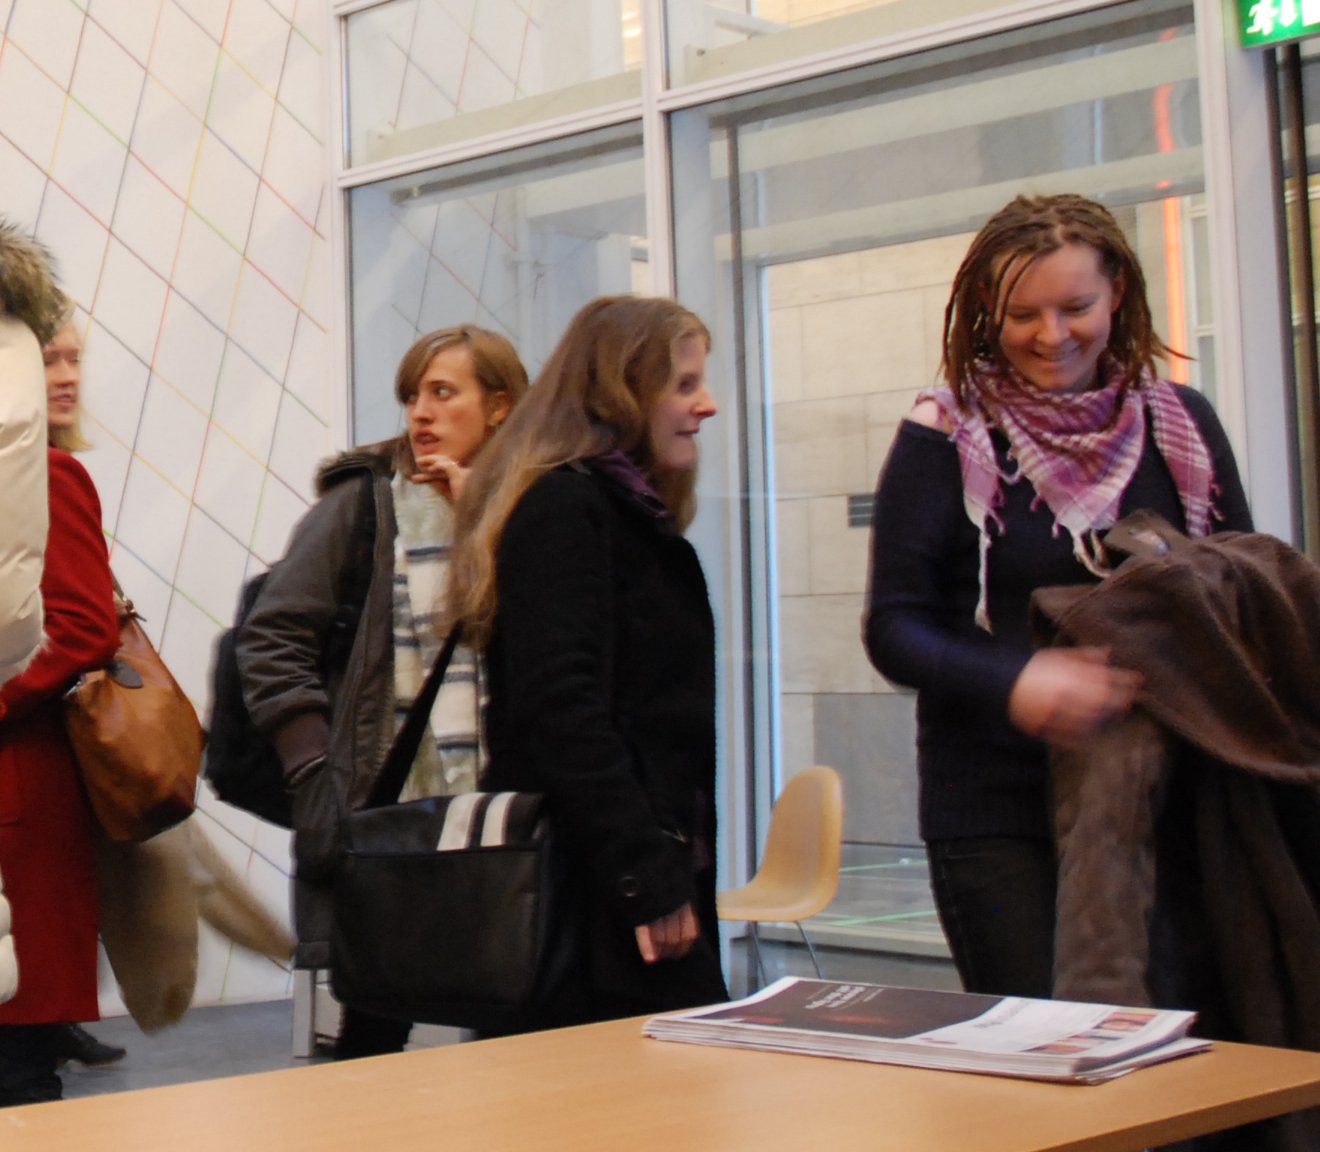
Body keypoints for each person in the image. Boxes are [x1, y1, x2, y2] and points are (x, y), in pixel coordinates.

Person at [862, 193, 1253, 1000]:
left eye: (1076, 307)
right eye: (1021, 315)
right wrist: (1020, 679)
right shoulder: (945, 438)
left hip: (1166, 798)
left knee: (1180, 1071)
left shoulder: (1182, 426)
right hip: (999, 809)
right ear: (984, 316)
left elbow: (1237, 588)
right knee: (1047, 1064)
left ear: (1119, 295)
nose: (1052, 336)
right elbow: (895, 627)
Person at [236, 325, 528, 1058]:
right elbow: (272, 636)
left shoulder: (536, 509)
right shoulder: (363, 506)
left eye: (442, 393)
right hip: (387, 814)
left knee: (516, 1017)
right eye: (411, 396)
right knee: (373, 1020)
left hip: (502, 811)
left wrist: (487, 520)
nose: (420, 413)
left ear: (499, 406)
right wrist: (311, 767)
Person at [447, 294, 728, 1030]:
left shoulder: (621, 515)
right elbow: (560, 711)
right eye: (686, 385)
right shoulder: (567, 511)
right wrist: (648, 877)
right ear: (621, 393)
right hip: (590, 896)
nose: (708, 405)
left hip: (619, 885)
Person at [0, 301, 121, 1104]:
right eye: (49, 359)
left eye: (73, 357)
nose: (68, 375)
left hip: (22, 803)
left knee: (19, 1067)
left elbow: (82, 626)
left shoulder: (52, 474)